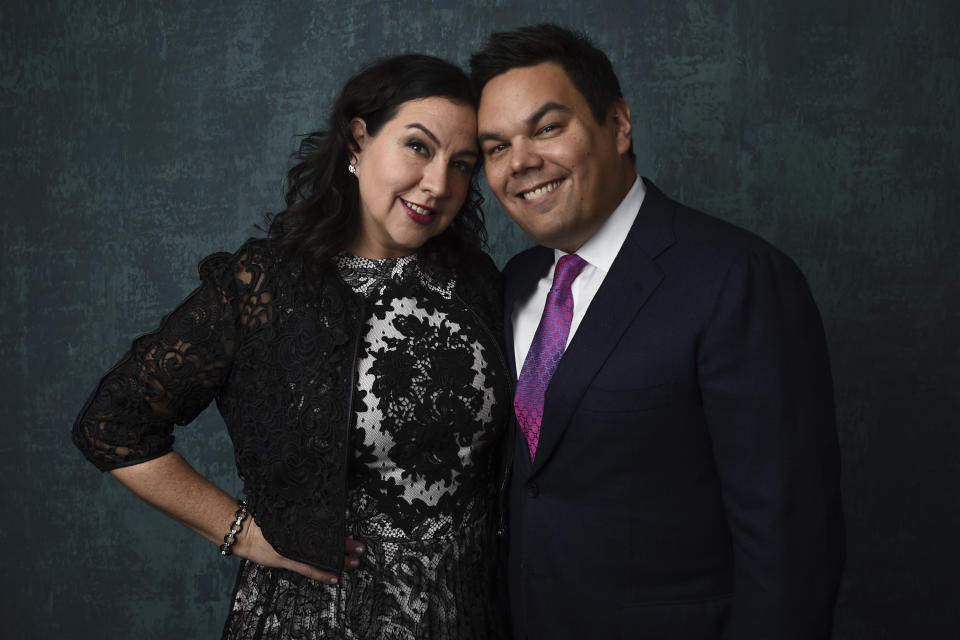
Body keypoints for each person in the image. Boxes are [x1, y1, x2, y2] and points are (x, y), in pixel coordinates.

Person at [73, 54, 510, 640]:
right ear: (359, 139)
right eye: (418, 148)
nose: (439, 185)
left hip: (468, 613)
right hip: (322, 620)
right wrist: (243, 533)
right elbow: (113, 423)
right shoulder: (265, 285)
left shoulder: (477, 282)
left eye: (462, 165)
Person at [470, 24, 845, 640]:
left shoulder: (737, 279)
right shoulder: (515, 282)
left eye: (546, 128)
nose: (521, 163)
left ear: (618, 125)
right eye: (495, 147)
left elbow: (791, 546)